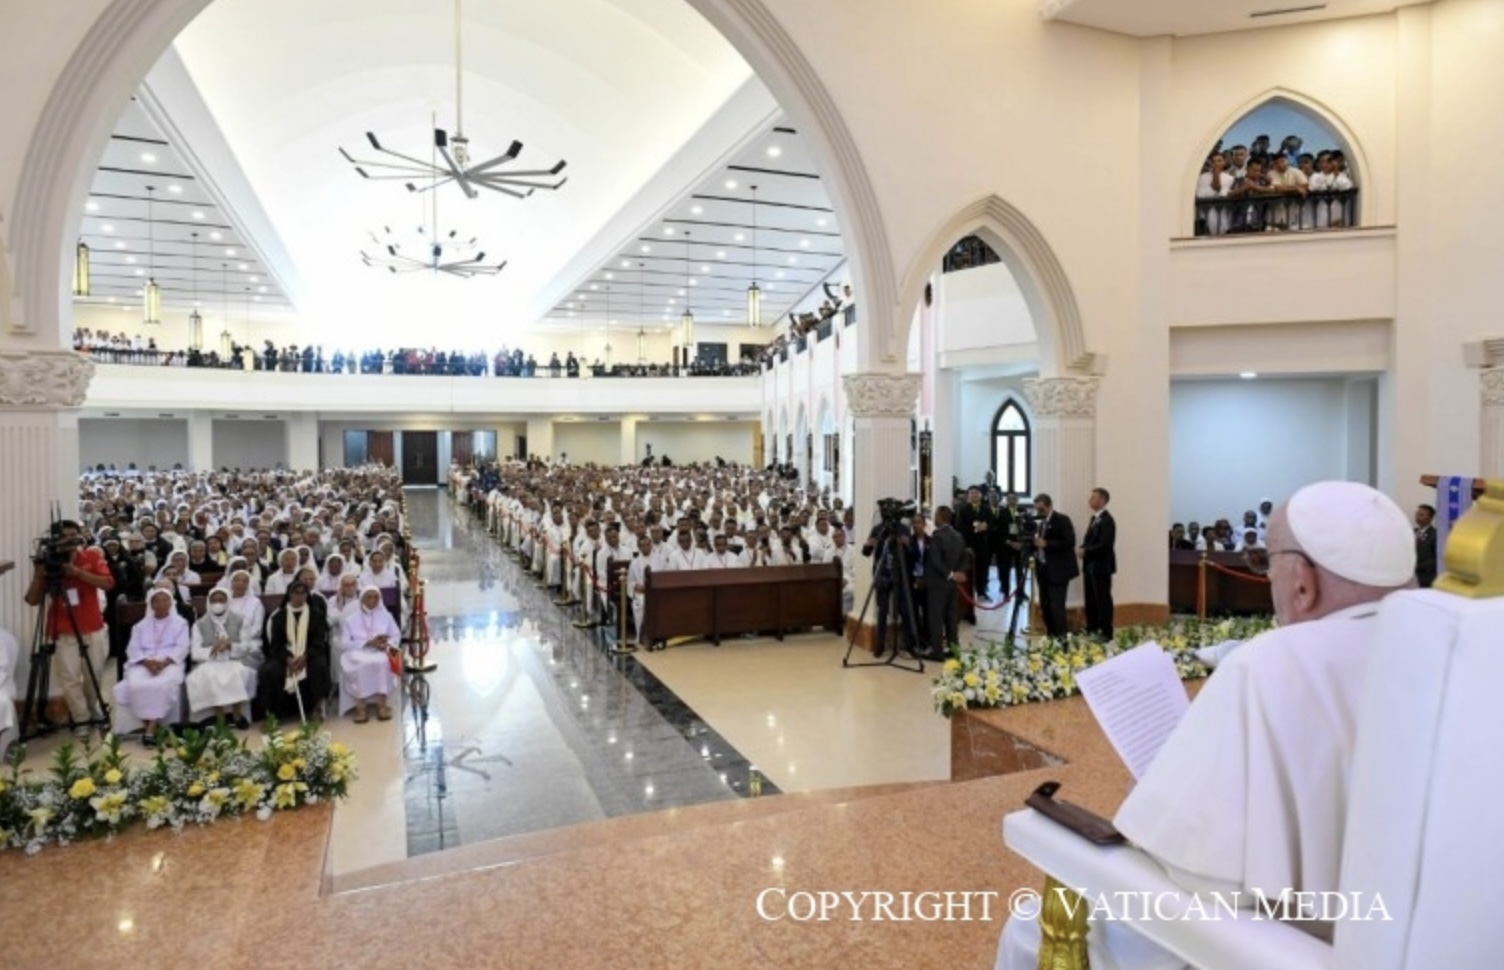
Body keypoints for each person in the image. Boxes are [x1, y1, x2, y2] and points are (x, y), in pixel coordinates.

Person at [998, 481, 1418, 970]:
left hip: (1284, 942)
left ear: (1304, 583)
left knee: (1027, 928)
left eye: (1268, 563)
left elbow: (1191, 867)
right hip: (1411, 942)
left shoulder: (1269, 664)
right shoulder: (1454, 653)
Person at [23, 519, 114, 737]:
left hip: (93, 626)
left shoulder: (91, 556)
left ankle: (95, 711)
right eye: (65, 536)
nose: (70, 540)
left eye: (74, 534)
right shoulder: (49, 561)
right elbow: (32, 600)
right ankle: (81, 719)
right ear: (55, 539)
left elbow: (108, 583)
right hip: (63, 629)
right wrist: (39, 573)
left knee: (94, 675)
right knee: (70, 678)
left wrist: (77, 573)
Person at [114, 586, 189, 742]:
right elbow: (132, 648)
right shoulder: (140, 626)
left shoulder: (180, 623)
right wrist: (147, 663)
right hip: (143, 662)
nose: (161, 604)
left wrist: (164, 663)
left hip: (169, 662)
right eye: (157, 601)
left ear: (171, 603)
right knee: (135, 684)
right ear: (151, 604)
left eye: (165, 600)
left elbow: (182, 647)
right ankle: (148, 724)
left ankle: (150, 728)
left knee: (161, 685)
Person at [257, 581, 330, 722]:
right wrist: (288, 659)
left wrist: (305, 656)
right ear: (289, 595)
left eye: (302, 593)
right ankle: (272, 714)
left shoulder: (317, 615)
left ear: (306, 595)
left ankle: (315, 708)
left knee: (319, 666)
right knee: (269, 671)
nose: (299, 596)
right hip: (284, 656)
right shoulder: (279, 617)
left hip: (310, 655)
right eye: (295, 593)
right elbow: (276, 645)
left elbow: (319, 642)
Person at [185, 587, 258, 728]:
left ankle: (236, 714)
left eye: (221, 600)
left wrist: (231, 646)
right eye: (214, 600)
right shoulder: (199, 624)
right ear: (209, 602)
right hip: (210, 661)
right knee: (212, 675)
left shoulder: (241, 620)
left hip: (234, 659)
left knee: (237, 673)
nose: (217, 603)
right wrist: (212, 648)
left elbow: (246, 646)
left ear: (227, 601)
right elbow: (195, 652)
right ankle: (220, 716)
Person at [339, 585, 399, 723]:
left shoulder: (386, 616)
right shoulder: (351, 619)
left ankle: (382, 706)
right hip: (358, 650)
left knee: (384, 661)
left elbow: (396, 635)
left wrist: (387, 644)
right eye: (369, 597)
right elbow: (344, 643)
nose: (372, 600)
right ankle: (361, 708)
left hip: (382, 649)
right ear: (362, 599)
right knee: (360, 663)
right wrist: (366, 643)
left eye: (376, 597)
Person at [923, 506, 967, 659]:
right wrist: (958, 573)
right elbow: (964, 557)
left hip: (938, 583)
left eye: (936, 515)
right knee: (951, 617)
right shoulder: (958, 535)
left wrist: (949, 574)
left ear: (941, 517)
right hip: (953, 584)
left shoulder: (937, 535)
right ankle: (954, 649)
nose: (934, 518)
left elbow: (935, 560)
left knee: (936, 617)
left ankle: (937, 651)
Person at [1031, 494, 1077, 638]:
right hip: (1043, 570)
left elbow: (1069, 542)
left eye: (1041, 509)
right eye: (1037, 509)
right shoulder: (1040, 523)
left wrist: (1047, 544)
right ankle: (1051, 635)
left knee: (1056, 606)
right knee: (1045, 605)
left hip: (1058, 571)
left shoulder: (1062, 520)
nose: (1039, 512)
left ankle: (1061, 639)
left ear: (1049, 505)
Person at [1078, 487, 1116, 640]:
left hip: (1101, 566)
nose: (1090, 500)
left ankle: (1106, 632)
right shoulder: (1095, 518)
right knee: (1091, 598)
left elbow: (1105, 544)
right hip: (1090, 566)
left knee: (1102, 599)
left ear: (1102, 500)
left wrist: (1086, 551)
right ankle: (1092, 627)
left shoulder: (1107, 520)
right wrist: (1083, 548)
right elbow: (1091, 540)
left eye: (1093, 497)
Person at [956, 486, 995, 621]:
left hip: (983, 544)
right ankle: (969, 594)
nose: (974, 495)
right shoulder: (963, 509)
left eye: (976, 493)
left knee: (983, 568)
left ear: (980, 495)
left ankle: (982, 591)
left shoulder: (986, 508)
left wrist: (986, 526)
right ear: (968, 495)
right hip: (969, 545)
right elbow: (959, 526)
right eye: (971, 493)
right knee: (969, 570)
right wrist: (974, 527)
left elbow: (992, 523)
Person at [1414, 503, 1438, 588]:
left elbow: (1436, 558)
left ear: (1430, 518)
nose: (1417, 516)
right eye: (1417, 514)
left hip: (1426, 577)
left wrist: (1419, 566)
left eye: (1421, 514)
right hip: (1412, 576)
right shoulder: (1412, 532)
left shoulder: (1435, 534)